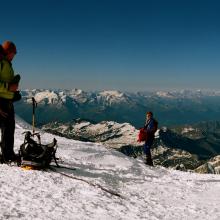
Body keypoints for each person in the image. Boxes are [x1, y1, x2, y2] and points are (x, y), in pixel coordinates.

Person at [0, 41, 21, 163]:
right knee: (7, 128)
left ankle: (7, 154)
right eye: (14, 53)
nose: (14, 56)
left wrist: (13, 84)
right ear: (8, 52)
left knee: (9, 128)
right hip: (1, 102)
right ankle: (7, 155)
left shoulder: (7, 64)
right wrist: (8, 87)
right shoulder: (1, 63)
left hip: (7, 101)